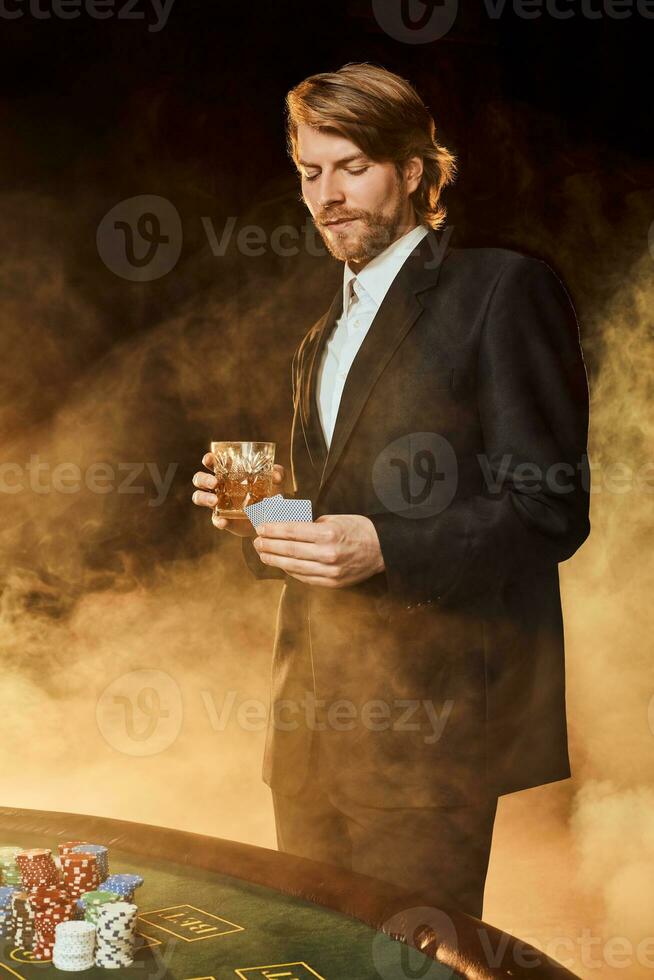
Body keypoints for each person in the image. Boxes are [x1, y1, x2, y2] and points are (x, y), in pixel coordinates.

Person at [191, 62, 591, 919]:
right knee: (315, 963)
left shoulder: (500, 290)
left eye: (352, 166)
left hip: (428, 737)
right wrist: (260, 517)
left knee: (407, 972)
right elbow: (329, 527)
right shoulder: (318, 335)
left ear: (412, 171)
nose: (328, 194)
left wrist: (387, 546)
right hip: (305, 737)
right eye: (309, 173)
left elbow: (549, 507)